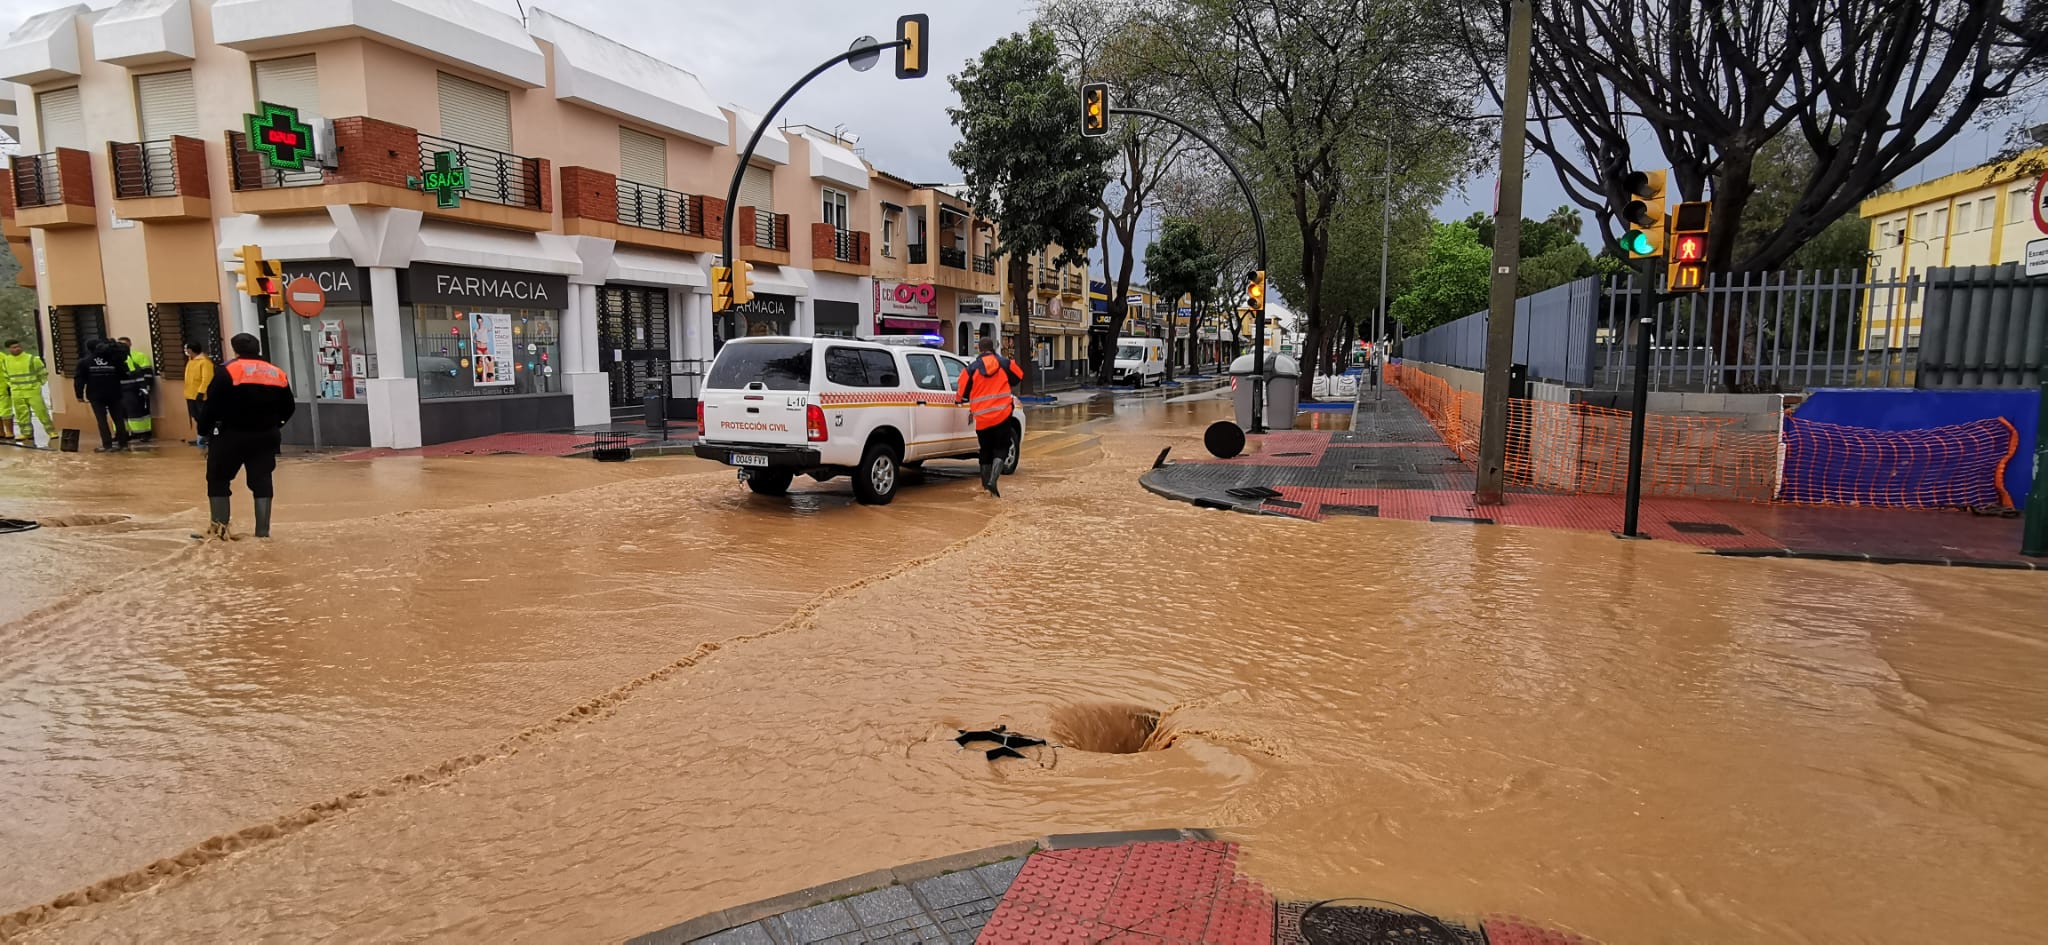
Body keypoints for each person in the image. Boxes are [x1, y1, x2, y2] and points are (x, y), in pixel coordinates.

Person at [198, 333, 294, 540]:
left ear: (235, 350)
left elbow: (211, 405)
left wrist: (203, 430)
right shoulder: (276, 372)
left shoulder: (226, 372)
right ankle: (262, 533)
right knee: (261, 480)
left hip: (230, 436)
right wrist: (276, 424)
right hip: (266, 436)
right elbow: (289, 407)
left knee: (218, 479)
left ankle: (219, 531)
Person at [954, 336, 1025, 497]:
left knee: (985, 450)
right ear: (993, 348)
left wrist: (959, 400)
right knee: (1001, 448)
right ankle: (993, 480)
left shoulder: (971, 369)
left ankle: (986, 487)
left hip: (982, 419)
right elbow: (1019, 376)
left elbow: (961, 392)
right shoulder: (1005, 364)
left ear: (979, 349)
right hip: (1003, 415)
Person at [74, 340, 133, 452]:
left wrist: (79, 395)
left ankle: (107, 445)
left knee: (102, 420)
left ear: (89, 349)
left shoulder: (85, 362)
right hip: (114, 393)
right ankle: (123, 444)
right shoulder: (114, 359)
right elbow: (125, 375)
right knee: (118, 419)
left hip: (96, 395)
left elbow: (79, 380)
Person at [2, 339, 54, 446]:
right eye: (14, 347)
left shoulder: (31, 359)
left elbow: (43, 373)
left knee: (41, 411)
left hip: (32, 390)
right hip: (17, 391)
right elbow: (6, 375)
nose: (17, 349)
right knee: (22, 414)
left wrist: (38, 384)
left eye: (18, 346)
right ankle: (26, 433)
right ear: (9, 349)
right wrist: (12, 386)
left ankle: (51, 431)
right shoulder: (6, 360)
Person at [118, 336, 155, 442]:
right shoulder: (114, 358)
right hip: (120, 390)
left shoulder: (138, 356)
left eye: (124, 344)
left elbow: (147, 373)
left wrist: (145, 388)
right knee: (121, 413)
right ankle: (122, 434)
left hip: (135, 390)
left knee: (139, 412)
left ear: (130, 344)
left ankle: (143, 434)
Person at [182, 340, 215, 448]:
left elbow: (207, 378)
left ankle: (209, 438)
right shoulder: (191, 361)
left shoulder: (205, 362)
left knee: (204, 417)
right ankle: (201, 437)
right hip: (191, 395)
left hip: (200, 396)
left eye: (186, 349)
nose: (185, 351)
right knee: (196, 417)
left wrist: (201, 392)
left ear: (190, 350)